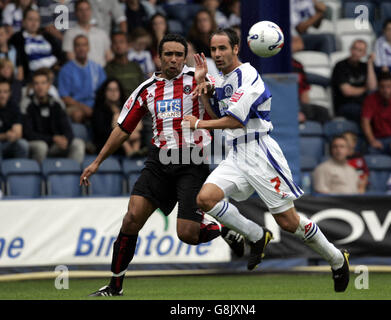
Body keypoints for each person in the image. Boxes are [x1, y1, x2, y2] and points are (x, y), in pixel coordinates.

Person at [183, 28, 350, 292]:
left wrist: (198, 124)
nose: (217, 54)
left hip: (260, 153)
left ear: (236, 49)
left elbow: (234, 120)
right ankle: (256, 235)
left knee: (289, 222)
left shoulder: (248, 75)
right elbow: (219, 115)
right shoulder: (223, 80)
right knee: (205, 199)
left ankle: (337, 259)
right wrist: (204, 89)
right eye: (213, 50)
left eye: (223, 48)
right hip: (236, 153)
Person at [82, 33, 248, 297]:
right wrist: (97, 162)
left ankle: (223, 229)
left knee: (187, 234)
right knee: (132, 218)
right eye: (168, 54)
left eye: (178, 55)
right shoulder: (146, 89)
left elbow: (224, 111)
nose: (173, 59)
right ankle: (114, 287)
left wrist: (209, 89)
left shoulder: (199, 78)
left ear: (185, 57)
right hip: (159, 161)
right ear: (158, 57)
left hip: (191, 161)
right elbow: (124, 128)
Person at [23, 69, 85, 163]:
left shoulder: (56, 103)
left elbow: (68, 129)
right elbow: (28, 133)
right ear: (33, 86)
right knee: (41, 146)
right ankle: (39, 176)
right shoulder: (26, 103)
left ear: (49, 86)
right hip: (36, 143)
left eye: (43, 83)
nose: (40, 87)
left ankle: (72, 174)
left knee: (78, 144)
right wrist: (53, 138)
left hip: (54, 144)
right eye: (36, 83)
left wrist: (66, 139)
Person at [58, 34, 106, 123]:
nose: (81, 48)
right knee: (78, 114)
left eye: (84, 45)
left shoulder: (96, 68)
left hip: (96, 104)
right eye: (78, 45)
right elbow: (65, 98)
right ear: (74, 48)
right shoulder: (66, 70)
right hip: (75, 105)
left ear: (88, 48)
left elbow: (104, 91)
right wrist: (84, 107)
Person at [91, 78, 144, 157]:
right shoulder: (99, 110)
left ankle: (135, 153)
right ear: (105, 92)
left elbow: (138, 127)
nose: (113, 93)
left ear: (120, 92)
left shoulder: (126, 108)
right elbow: (101, 132)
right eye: (110, 90)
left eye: (116, 90)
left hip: (130, 139)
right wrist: (125, 136)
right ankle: (131, 154)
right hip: (107, 144)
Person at [9, 8, 63, 82]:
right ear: (23, 22)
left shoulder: (47, 36)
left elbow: (59, 54)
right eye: (30, 19)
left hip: (53, 72)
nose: (34, 23)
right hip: (33, 75)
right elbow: (19, 59)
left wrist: (56, 67)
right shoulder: (17, 38)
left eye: (37, 20)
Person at [331, 39, 377, 123]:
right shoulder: (340, 66)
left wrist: (370, 64)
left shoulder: (364, 67)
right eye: (354, 49)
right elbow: (347, 91)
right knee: (366, 113)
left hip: (363, 103)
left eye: (360, 50)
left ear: (364, 54)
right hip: (345, 105)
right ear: (350, 49)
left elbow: (372, 87)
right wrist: (365, 89)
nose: (356, 52)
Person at [62, 0, 113, 67]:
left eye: (87, 9)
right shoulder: (70, 34)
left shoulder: (102, 33)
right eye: (81, 10)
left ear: (91, 11)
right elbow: (71, 58)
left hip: (102, 73)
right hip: (80, 73)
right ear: (76, 13)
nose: (84, 13)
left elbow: (109, 56)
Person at [104, 32, 145, 97]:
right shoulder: (107, 69)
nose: (118, 46)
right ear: (111, 46)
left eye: (121, 42)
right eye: (115, 43)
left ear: (128, 45)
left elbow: (143, 90)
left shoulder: (136, 67)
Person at [0, 78, 29, 159]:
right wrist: (6, 135)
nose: (2, 95)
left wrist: (13, 135)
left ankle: (19, 170)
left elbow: (18, 133)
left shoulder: (13, 107)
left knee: (22, 144)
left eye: (5, 92)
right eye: (0, 92)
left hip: (8, 143)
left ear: (10, 93)